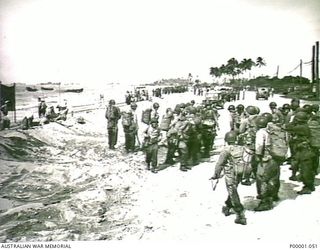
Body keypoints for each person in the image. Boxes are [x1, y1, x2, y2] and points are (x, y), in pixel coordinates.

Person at [210, 131, 247, 225]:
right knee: (233, 190)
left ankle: (240, 214)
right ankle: (228, 205)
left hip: (230, 174)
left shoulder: (226, 150)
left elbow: (220, 164)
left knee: (232, 191)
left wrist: (216, 175)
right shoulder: (242, 148)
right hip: (240, 172)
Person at [254, 115, 281, 211]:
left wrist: (257, 156)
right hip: (276, 157)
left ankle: (265, 202)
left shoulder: (261, 132)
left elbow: (260, 145)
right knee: (274, 177)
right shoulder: (275, 130)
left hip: (266, 159)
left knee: (262, 179)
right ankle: (274, 195)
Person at [285, 112, 316, 194]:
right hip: (304, 150)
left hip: (305, 152)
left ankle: (308, 186)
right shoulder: (305, 126)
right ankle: (309, 185)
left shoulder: (301, 127)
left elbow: (287, 127)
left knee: (306, 169)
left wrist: (293, 121)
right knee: (304, 167)